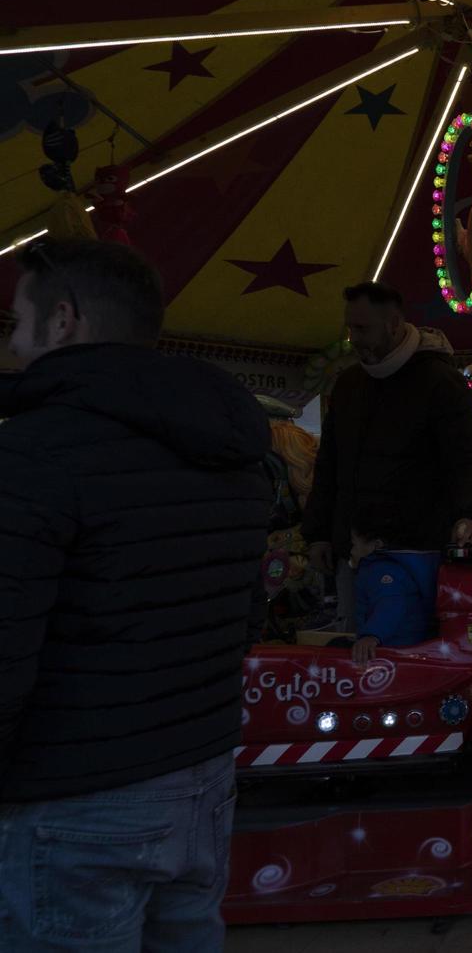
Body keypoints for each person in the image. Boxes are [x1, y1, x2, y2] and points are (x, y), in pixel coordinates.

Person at [0, 237, 272, 949]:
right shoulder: (234, 454)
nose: (15, 343)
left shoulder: (34, 453)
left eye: (16, 322)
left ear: (63, 322)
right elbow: (246, 619)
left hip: (75, 796)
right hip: (204, 775)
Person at [302, 282, 472, 624]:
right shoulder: (348, 386)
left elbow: (466, 459)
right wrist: (318, 533)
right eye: (350, 327)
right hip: (356, 555)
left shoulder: (441, 383)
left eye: (362, 328)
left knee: (409, 651)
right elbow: (329, 465)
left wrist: (470, 515)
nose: (353, 338)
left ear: (393, 324)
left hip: (417, 552)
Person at [349, 502, 440, 667]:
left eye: (354, 544)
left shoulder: (384, 571)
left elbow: (391, 604)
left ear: (376, 545)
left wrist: (372, 635)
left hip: (396, 648)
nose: (351, 551)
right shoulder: (380, 567)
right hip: (392, 643)